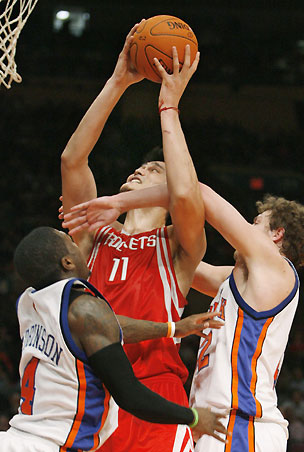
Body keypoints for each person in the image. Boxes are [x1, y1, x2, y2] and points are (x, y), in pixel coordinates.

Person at [64, 183, 304, 452]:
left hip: (243, 426)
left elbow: (198, 192)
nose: (246, 226)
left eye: (256, 223)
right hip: (218, 426)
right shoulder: (236, 282)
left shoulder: (276, 269)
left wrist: (118, 203)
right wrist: (107, 230)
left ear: (277, 234)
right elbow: (168, 258)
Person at [60, 21, 206, 452]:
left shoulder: (178, 244)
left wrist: (168, 107)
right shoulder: (96, 230)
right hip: (92, 392)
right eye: (138, 168)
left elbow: (185, 192)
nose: (139, 170)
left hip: (157, 393)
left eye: (154, 171)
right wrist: (118, 81)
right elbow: (72, 160)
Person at [0, 226, 228, 452]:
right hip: (51, 445)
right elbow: (130, 396)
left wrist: (172, 328)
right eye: (71, 242)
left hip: (19, 437)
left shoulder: (29, 303)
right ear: (67, 263)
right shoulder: (85, 310)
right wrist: (194, 417)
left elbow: (106, 325)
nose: (78, 244)